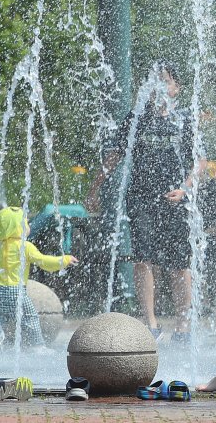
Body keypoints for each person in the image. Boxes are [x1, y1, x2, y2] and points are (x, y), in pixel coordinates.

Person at [86, 62, 200, 342]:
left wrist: (184, 189)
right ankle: (149, 322)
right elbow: (114, 156)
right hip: (141, 197)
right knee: (143, 258)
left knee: (179, 261)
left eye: (166, 82)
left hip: (175, 199)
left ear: (177, 89)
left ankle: (183, 325)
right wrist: (94, 188)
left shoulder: (184, 119)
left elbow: (200, 162)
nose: (160, 88)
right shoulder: (136, 118)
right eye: (155, 82)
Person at [0, 207, 78, 350]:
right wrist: (64, 260)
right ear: (18, 227)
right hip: (17, 292)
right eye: (26, 223)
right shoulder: (25, 246)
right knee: (30, 318)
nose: (28, 226)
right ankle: (38, 346)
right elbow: (44, 262)